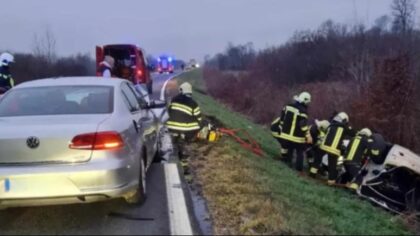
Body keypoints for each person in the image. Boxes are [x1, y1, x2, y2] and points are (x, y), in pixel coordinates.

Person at [310, 112, 356, 185]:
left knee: (317, 159)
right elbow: (353, 133)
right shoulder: (345, 128)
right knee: (332, 166)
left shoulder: (330, 125)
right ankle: (331, 181)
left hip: (323, 146)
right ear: (344, 121)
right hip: (334, 150)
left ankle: (312, 173)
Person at [278, 92, 312, 172]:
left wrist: (281, 128)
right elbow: (302, 125)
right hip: (297, 137)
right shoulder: (303, 111)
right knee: (300, 152)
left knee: (290, 149)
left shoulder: (287, 106)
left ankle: (288, 164)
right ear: (306, 101)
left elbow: (282, 118)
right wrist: (308, 135)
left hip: (285, 135)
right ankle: (299, 169)